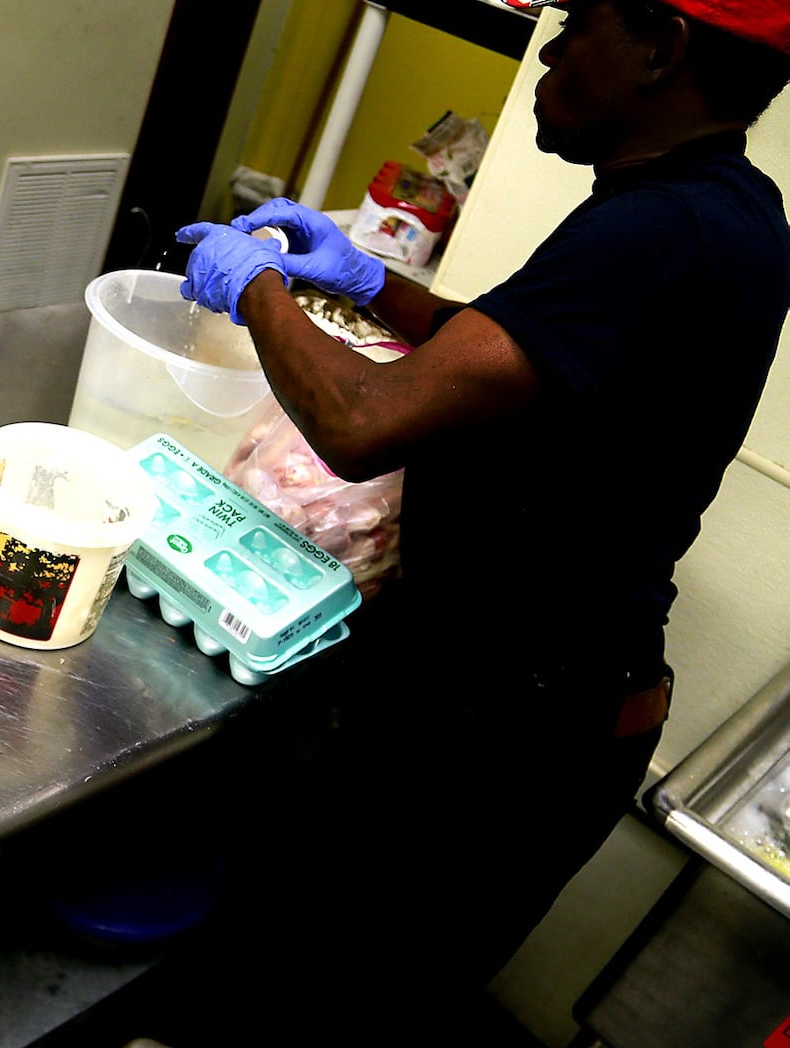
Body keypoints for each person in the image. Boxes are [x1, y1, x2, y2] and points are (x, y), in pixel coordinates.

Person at [166, 0, 790, 1035]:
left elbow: (363, 424)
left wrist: (261, 287)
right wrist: (374, 285)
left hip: (505, 740)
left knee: (328, 998)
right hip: (523, 703)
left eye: (577, 21)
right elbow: (535, 350)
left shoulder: (656, 227)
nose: (547, 48)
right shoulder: (724, 206)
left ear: (661, 46)